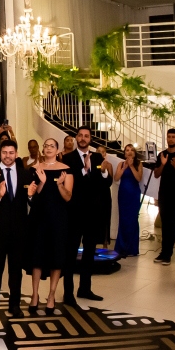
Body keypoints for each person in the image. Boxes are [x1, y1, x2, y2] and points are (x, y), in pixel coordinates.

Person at [24, 138, 73, 312]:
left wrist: (59, 185)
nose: (48, 148)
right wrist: (42, 182)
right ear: (43, 149)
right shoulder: (35, 169)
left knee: (56, 257)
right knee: (37, 257)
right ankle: (34, 295)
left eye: (52, 146)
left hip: (58, 219)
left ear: (57, 150)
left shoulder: (66, 170)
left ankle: (51, 295)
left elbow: (68, 197)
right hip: (38, 218)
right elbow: (32, 196)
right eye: (46, 146)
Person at [62, 126, 109, 304]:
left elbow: (104, 184)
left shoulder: (97, 157)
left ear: (90, 139)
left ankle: (85, 289)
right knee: (70, 254)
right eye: (80, 135)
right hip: (74, 214)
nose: (83, 138)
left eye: (86, 136)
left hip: (92, 214)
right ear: (76, 138)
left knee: (89, 253)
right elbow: (72, 184)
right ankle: (68, 293)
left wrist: (103, 172)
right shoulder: (68, 158)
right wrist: (85, 170)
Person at [0, 140, 29, 319]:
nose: (8, 156)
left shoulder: (25, 174)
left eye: (11, 152)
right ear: (0, 154)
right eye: (4, 152)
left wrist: (31, 196)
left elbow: (31, 199)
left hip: (18, 232)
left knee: (16, 271)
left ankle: (15, 305)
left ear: (16, 154)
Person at [152, 129, 175, 266]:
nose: (171, 139)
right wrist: (163, 164)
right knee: (165, 223)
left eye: (173, 137)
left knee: (172, 224)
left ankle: (168, 254)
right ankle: (163, 252)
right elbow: (156, 174)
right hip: (163, 194)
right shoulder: (162, 154)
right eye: (169, 137)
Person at [114, 144, 143, 258]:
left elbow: (139, 178)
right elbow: (116, 178)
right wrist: (124, 168)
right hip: (123, 195)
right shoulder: (121, 164)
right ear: (124, 153)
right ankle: (121, 247)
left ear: (134, 153)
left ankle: (131, 248)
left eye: (131, 150)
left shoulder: (138, 164)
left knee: (133, 219)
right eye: (127, 150)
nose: (129, 152)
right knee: (123, 219)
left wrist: (131, 166)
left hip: (134, 195)